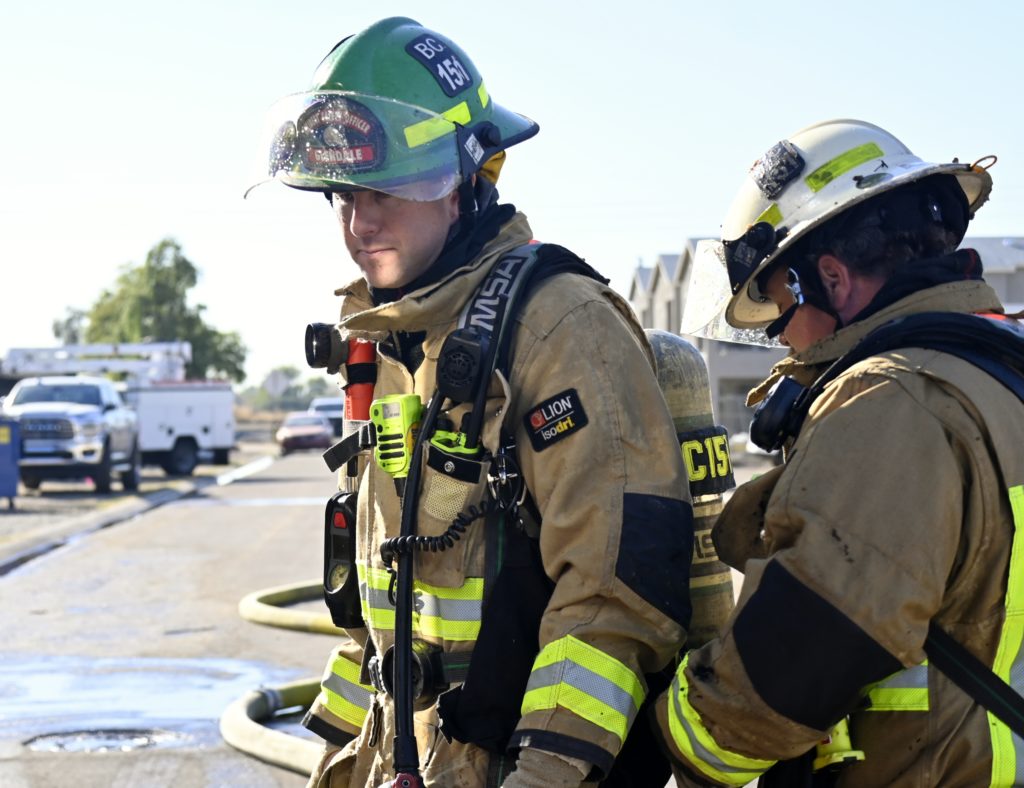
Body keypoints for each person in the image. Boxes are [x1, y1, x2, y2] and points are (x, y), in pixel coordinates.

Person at [249, 17, 694, 788]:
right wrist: (340, 764)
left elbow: (613, 608)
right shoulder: (392, 340)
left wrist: (539, 777)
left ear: (462, 183)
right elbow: (383, 624)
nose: (359, 223)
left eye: (386, 191)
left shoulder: (563, 329)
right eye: (343, 195)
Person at [660, 118, 1024, 786]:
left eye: (778, 307)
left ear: (828, 277)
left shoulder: (890, 404)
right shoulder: (996, 373)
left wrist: (666, 744)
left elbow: (782, 678)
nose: (783, 339)